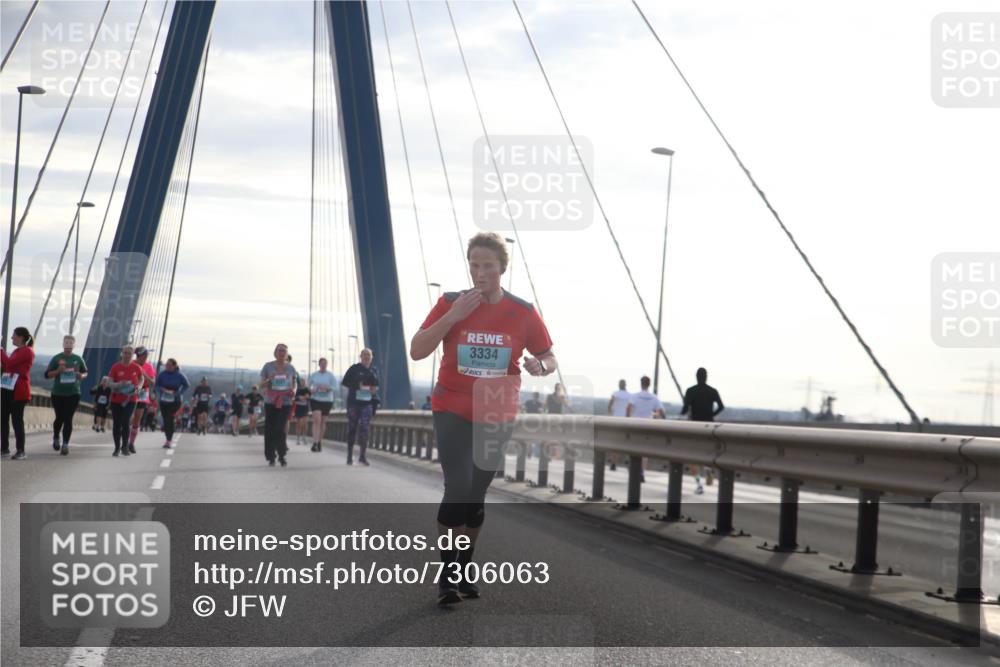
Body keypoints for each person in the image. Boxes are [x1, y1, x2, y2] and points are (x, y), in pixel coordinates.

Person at [410, 231, 556, 605]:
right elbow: (417, 350)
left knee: (475, 496)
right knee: (457, 487)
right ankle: (447, 575)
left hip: (496, 412)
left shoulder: (522, 312)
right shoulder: (449, 302)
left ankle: (464, 565)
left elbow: (550, 357)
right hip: (452, 407)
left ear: (502, 269)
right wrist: (453, 317)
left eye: (487, 266)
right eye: (474, 265)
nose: (480, 272)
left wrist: (540, 365)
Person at [681, 367, 725, 492]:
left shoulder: (690, 390)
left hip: (695, 427)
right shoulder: (712, 391)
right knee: (707, 452)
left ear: (696, 377)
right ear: (706, 377)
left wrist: (687, 404)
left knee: (692, 456)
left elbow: (684, 411)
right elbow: (721, 406)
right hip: (709, 426)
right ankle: (707, 469)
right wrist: (712, 414)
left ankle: (698, 484)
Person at [45, 334, 88, 455]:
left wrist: (81, 376)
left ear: (74, 345)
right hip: (58, 393)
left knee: (68, 418)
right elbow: (47, 375)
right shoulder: (57, 358)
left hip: (73, 393)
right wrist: (57, 371)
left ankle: (65, 444)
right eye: (66, 343)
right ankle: (56, 437)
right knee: (59, 418)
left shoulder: (78, 359)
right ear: (63, 344)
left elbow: (85, 372)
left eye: (71, 343)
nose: (68, 345)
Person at [259, 343, 297, 466]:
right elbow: (262, 383)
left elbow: (294, 383)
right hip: (271, 401)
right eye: (279, 350)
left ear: (287, 354)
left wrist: (294, 391)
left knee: (280, 428)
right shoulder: (268, 366)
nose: (281, 353)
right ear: (275, 353)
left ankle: (281, 455)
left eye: (284, 351)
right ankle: (271, 456)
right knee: (270, 429)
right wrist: (268, 381)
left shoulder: (291, 368)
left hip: (285, 402)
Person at [2, 327, 36, 460]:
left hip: (19, 390)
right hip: (7, 387)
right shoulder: (16, 351)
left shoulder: (27, 351)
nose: (12, 338)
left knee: (17, 421)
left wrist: (0, 351)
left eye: (14, 336)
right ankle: (4, 448)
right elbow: (9, 366)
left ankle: (21, 450)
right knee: (3, 419)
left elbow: (9, 363)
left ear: (21, 337)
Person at [341, 348, 379, 466]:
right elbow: (345, 382)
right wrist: (358, 386)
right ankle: (349, 455)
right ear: (360, 356)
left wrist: (373, 389)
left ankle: (362, 456)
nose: (367, 357)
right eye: (364, 355)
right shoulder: (354, 369)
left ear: (372, 357)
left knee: (365, 428)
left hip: (367, 403)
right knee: (352, 428)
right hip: (354, 402)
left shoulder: (374, 370)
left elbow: (376, 386)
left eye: (369, 355)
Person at [626, 376, 664, 484]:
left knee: (633, 448)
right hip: (647, 425)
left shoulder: (635, 396)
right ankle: (642, 473)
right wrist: (653, 414)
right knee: (644, 451)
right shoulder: (653, 397)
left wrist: (628, 418)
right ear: (649, 384)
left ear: (641, 383)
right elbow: (660, 412)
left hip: (635, 424)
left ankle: (634, 471)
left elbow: (628, 407)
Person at [107, 345, 143, 457]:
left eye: (129, 353)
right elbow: (109, 383)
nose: (127, 355)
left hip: (131, 399)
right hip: (117, 399)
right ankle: (117, 448)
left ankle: (125, 447)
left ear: (133, 355)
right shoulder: (115, 367)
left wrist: (138, 388)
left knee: (125, 421)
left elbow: (141, 379)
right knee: (117, 424)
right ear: (122, 354)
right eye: (125, 353)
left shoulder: (136, 367)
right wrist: (119, 384)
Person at [127, 346, 156, 454]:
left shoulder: (149, 366)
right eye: (144, 355)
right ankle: (125, 440)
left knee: (137, 418)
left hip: (143, 393)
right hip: (131, 391)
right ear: (139, 355)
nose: (146, 357)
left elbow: (152, 382)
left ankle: (131, 443)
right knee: (129, 417)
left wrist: (143, 374)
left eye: (147, 355)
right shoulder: (131, 364)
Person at [155, 358, 189, 448]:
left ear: (174, 366)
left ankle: (168, 440)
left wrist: (178, 393)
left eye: (169, 365)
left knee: (170, 418)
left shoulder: (179, 375)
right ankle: (168, 438)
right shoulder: (162, 374)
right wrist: (162, 390)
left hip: (175, 400)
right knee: (166, 419)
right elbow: (156, 385)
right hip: (163, 400)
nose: (167, 367)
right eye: (166, 365)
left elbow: (186, 385)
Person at [308, 358, 336, 451]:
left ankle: (319, 441)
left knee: (323, 422)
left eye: (325, 363)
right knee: (317, 421)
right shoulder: (314, 375)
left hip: (327, 400)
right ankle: (315, 443)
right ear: (319, 364)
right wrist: (312, 390)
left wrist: (328, 388)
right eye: (322, 363)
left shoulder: (330, 375)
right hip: (316, 399)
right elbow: (308, 386)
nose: (323, 365)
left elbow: (335, 387)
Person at [606, 379, 631, 469]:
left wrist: (609, 413)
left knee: (615, 441)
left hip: (615, 420)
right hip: (626, 420)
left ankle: (613, 462)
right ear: (625, 385)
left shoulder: (615, 393)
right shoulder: (629, 395)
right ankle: (628, 459)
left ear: (619, 385)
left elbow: (610, 404)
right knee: (626, 441)